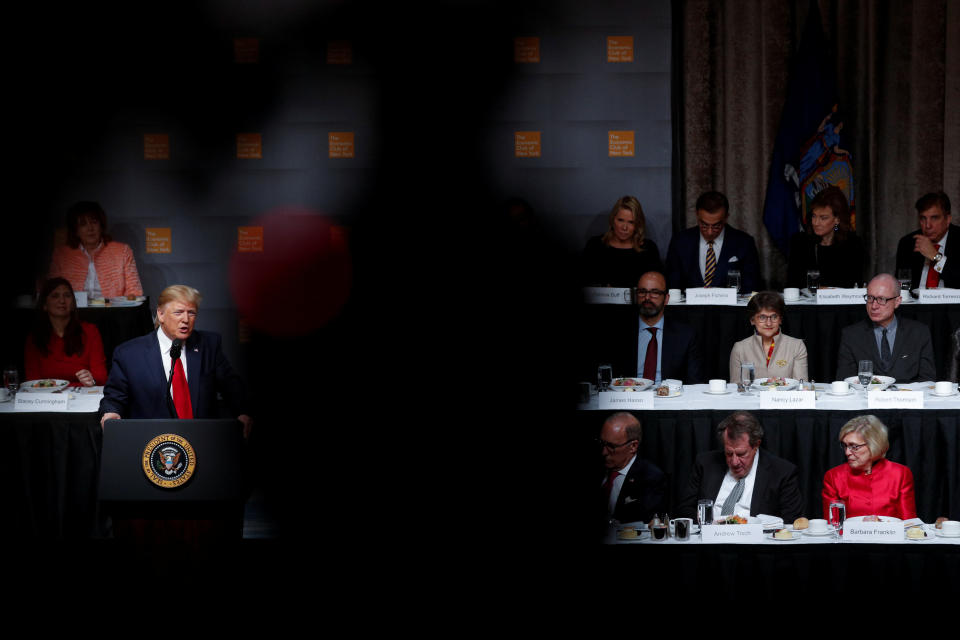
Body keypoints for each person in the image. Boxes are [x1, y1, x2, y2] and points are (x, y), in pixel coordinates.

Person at [100, 284, 252, 437]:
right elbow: (114, 396)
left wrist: (243, 412)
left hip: (201, 438)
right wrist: (111, 413)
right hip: (150, 441)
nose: (185, 319)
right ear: (161, 315)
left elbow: (232, 387)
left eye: (191, 313)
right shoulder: (130, 353)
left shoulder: (208, 346)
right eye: (178, 312)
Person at [676, 411, 804, 522]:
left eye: (741, 454)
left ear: (756, 445)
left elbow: (790, 522)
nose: (734, 462)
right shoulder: (705, 463)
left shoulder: (782, 472)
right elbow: (685, 509)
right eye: (729, 453)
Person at [835, 273, 935, 383]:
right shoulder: (851, 335)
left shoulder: (919, 333)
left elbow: (928, 381)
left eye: (881, 299)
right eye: (870, 298)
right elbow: (845, 382)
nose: (873, 306)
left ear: (897, 302)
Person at [821, 415, 917, 520]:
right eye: (845, 446)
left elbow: (909, 523)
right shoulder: (834, 477)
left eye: (854, 447)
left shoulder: (900, 474)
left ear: (874, 445)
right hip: (848, 536)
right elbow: (833, 525)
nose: (847, 452)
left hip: (889, 536)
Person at [618, 271, 705, 384]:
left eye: (655, 293)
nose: (647, 298)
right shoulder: (619, 333)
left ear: (666, 299)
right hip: (629, 397)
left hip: (670, 398)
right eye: (642, 292)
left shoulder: (686, 335)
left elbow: (695, 384)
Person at [664, 191, 760, 292]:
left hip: (731, 307)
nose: (710, 232)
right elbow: (672, 286)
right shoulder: (680, 242)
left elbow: (752, 288)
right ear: (697, 215)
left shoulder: (744, 243)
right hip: (689, 307)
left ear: (726, 217)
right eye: (704, 225)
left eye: (716, 226)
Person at [48, 201, 143, 299]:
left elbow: (134, 291)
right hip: (74, 312)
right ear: (76, 230)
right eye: (83, 224)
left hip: (113, 312)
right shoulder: (61, 254)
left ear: (101, 226)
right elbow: (52, 292)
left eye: (94, 222)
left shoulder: (122, 251)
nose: (90, 228)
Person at [24, 277, 108, 386]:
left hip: (83, 397)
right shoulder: (34, 338)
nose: (62, 301)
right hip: (47, 399)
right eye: (55, 296)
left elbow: (101, 378)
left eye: (67, 296)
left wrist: (92, 381)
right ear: (44, 305)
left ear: (73, 304)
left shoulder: (90, 331)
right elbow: (33, 382)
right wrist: (76, 384)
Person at [786, 186, 865, 289]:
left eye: (823, 218)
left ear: (837, 219)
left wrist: (828, 291)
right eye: (814, 216)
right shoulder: (800, 242)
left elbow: (854, 284)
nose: (816, 223)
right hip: (806, 303)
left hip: (841, 303)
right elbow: (792, 284)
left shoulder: (852, 244)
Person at [598, 412, 666, 525]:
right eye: (602, 443)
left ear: (633, 446)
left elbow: (647, 522)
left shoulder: (651, 477)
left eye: (611, 446)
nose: (604, 452)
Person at [581, 195, 663, 288]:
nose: (624, 227)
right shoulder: (595, 246)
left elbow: (657, 286)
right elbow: (583, 282)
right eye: (620, 220)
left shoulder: (648, 249)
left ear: (637, 225)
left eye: (631, 222)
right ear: (612, 220)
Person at [729, 291, 808, 382]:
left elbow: (801, 388)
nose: (768, 323)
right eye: (762, 317)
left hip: (784, 396)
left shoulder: (797, 346)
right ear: (752, 320)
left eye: (774, 317)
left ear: (780, 320)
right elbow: (735, 388)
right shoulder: (739, 348)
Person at [894, 191, 958, 290]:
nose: (928, 225)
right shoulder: (908, 243)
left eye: (934, 218)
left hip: (951, 304)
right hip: (916, 303)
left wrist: (936, 257)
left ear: (948, 219)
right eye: (923, 218)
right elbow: (901, 285)